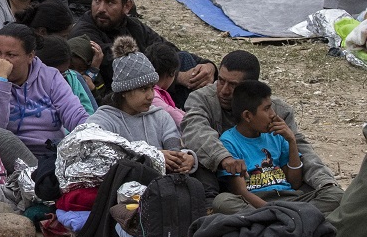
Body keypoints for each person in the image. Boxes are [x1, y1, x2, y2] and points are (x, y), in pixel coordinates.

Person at [180, 50, 342, 211]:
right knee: (219, 196)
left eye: (233, 85)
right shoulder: (202, 100)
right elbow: (196, 131)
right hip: (239, 193)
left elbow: (302, 150)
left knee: (335, 195)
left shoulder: (276, 110)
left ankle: (283, 218)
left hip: (285, 194)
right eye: (221, 81)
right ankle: (293, 218)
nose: (224, 90)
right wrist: (224, 158)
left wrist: (324, 182)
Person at [71, 0, 215, 94]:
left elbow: (168, 50)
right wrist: (176, 77)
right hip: (117, 102)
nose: (101, 8)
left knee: (183, 58)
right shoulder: (83, 33)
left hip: (149, 92)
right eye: (97, 0)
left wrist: (208, 66)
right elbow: (119, 66)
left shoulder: (133, 26)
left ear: (127, 6)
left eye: (110, 3)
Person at [0, 23, 88, 169]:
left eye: (10, 55)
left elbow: (74, 114)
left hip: (52, 152)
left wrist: (92, 133)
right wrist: (0, 81)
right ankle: (38, 178)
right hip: (12, 156)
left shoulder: (50, 76)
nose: (2, 60)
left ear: (30, 56)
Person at [216, 81, 334, 214]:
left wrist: (291, 141)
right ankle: (296, 218)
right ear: (247, 116)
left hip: (289, 199)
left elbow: (294, 183)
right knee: (222, 201)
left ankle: (286, 220)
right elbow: (240, 191)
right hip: (256, 203)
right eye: (266, 109)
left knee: (335, 195)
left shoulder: (275, 134)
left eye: (271, 107)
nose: (273, 114)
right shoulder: (229, 141)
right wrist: (276, 211)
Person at [90, 37, 196, 172]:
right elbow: (100, 158)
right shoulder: (104, 121)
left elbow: (174, 148)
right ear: (124, 91)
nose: (150, 95)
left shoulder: (160, 117)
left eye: (152, 88)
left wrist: (187, 158)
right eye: (143, 89)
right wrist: (152, 156)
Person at [38, 35, 97, 113]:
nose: (60, 78)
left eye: (63, 73)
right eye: (56, 73)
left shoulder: (73, 78)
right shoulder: (27, 87)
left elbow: (90, 114)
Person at [144, 41, 184, 127]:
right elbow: (171, 112)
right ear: (171, 73)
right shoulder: (152, 94)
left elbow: (175, 110)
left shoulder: (156, 92)